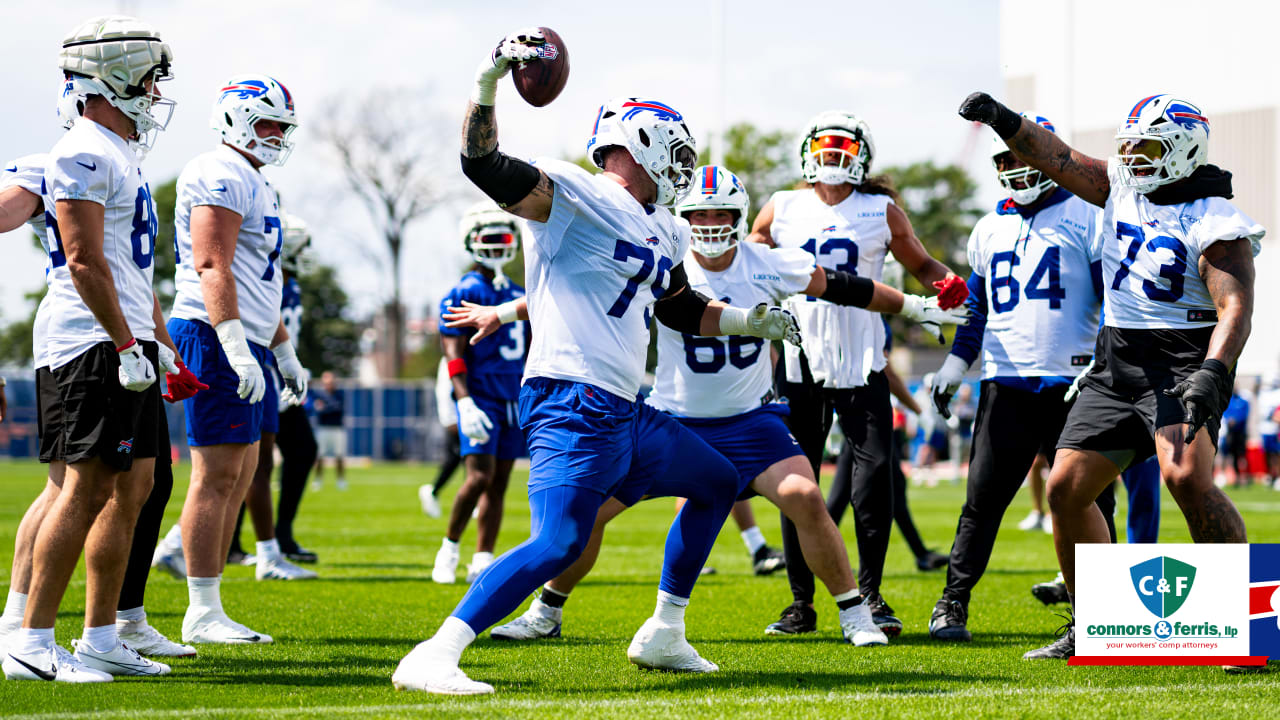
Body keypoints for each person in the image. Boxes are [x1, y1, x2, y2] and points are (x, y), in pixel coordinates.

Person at [391, 28, 800, 695]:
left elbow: (677, 306)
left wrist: (746, 320)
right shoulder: (576, 198)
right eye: (678, 150)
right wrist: (488, 81)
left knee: (719, 482)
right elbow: (482, 163)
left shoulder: (665, 224)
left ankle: (665, 631)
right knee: (559, 544)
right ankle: (436, 652)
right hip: (570, 399)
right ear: (641, 142)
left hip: (626, 409)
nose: (685, 163)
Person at [485, 165, 965, 645]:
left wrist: (913, 306)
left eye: (721, 213)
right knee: (586, 513)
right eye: (699, 212)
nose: (710, 222)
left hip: (751, 422)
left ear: (741, 216)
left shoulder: (765, 262)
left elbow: (843, 287)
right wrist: (505, 311)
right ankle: (546, 611)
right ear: (683, 215)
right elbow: (589, 286)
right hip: (672, 420)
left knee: (805, 495)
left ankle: (854, 613)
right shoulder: (665, 255)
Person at [960, 91, 1262, 660]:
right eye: (1129, 147)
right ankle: (1093, 623)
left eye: (1147, 148)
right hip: (1117, 362)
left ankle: (1245, 624)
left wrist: (1214, 373)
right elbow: (1057, 157)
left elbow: (1235, 310)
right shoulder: (1121, 189)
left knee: (1186, 480)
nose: (1133, 159)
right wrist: (1003, 120)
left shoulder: (1218, 221)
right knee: (1065, 489)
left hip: (1180, 364)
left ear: (1183, 150)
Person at [5, 15, 180, 682]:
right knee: (82, 488)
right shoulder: (83, 150)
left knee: (132, 483)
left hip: (119, 339)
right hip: (91, 342)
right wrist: (126, 341)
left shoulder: (116, 152)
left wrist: (156, 343)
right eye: (149, 77)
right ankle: (31, 637)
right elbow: (82, 261)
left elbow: (130, 270)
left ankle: (100, 633)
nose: (156, 90)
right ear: (113, 78)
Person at [748, 111, 968, 637]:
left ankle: (870, 595)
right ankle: (801, 604)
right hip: (799, 360)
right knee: (796, 484)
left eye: (842, 146)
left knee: (873, 488)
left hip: (863, 361)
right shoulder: (783, 205)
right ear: (806, 152)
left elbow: (922, 265)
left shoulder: (880, 209)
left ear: (862, 155)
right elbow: (751, 253)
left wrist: (951, 285)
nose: (832, 156)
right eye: (823, 146)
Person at [926, 118, 1118, 642]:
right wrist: (953, 365)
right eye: (1003, 160)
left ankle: (1106, 615)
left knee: (1092, 500)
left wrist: (1103, 366)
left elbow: (1114, 303)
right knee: (982, 501)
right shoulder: (987, 227)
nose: (1013, 168)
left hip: (1074, 382)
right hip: (1005, 382)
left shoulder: (1087, 214)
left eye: (1020, 157)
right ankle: (952, 604)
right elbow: (978, 310)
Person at [167, 73, 307, 645]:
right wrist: (231, 345)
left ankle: (208, 599)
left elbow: (255, 281)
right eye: (266, 122)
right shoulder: (219, 170)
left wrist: (283, 349)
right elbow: (211, 265)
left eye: (282, 126)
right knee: (217, 474)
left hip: (243, 337)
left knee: (242, 473)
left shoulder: (255, 180)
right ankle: (201, 607)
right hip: (212, 331)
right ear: (235, 118)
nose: (275, 134)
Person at [430, 202, 530, 585]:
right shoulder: (464, 291)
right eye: (488, 238)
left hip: (514, 397)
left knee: (500, 482)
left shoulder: (521, 292)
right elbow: (452, 353)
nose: (497, 245)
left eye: (503, 237)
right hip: (482, 396)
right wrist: (465, 399)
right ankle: (449, 547)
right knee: (479, 477)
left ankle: (483, 557)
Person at [220, 211, 319, 573]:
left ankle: (274, 540)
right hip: (259, 372)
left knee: (270, 459)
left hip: (279, 378)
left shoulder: (287, 282)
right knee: (246, 462)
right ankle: (251, 546)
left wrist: (293, 364)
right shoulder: (267, 277)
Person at [419, 358, 462, 518]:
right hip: (458, 418)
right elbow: (444, 391)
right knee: (457, 460)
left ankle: (434, 491)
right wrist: (450, 419)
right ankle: (433, 491)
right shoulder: (449, 358)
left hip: (466, 416)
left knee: (463, 460)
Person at [311, 371, 346, 490]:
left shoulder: (340, 394)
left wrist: (325, 407)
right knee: (320, 457)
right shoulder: (319, 394)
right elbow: (318, 409)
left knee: (339, 456)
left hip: (337, 429)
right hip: (323, 429)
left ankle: (341, 481)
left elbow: (339, 408)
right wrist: (328, 408)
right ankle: (318, 480)